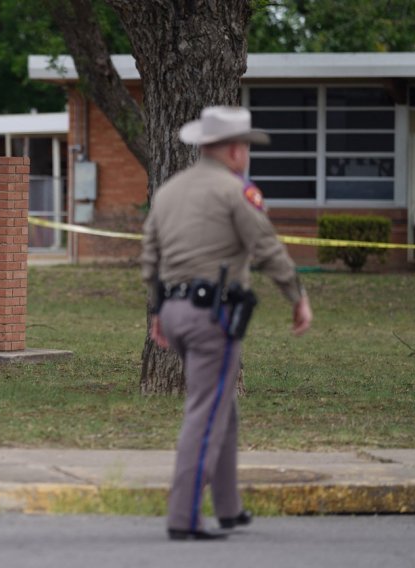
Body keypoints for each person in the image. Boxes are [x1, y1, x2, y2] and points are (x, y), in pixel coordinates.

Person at [140, 106, 313, 541]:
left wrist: (158, 311)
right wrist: (297, 297)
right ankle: (184, 517)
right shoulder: (235, 191)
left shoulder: (168, 191)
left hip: (175, 313)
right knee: (204, 412)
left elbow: (149, 258)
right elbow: (266, 247)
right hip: (210, 317)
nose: (248, 154)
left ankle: (230, 508)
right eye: (247, 147)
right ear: (236, 149)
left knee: (221, 408)